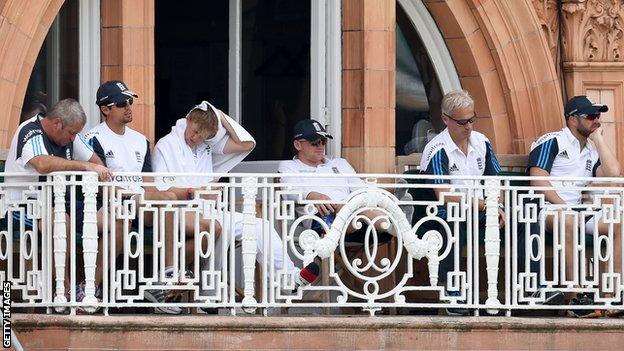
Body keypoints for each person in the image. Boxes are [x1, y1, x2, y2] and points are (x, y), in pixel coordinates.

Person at [152, 101, 320, 307]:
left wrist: (220, 116)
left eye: (202, 136)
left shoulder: (205, 146)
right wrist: (193, 192)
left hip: (208, 210)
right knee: (219, 229)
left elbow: (247, 143)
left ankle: (289, 278)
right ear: (188, 120)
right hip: (177, 212)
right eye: (195, 132)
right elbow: (161, 190)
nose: (195, 139)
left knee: (260, 226)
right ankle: (208, 296)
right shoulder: (166, 145)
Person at [85, 80, 184, 314]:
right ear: (105, 109)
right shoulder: (93, 137)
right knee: (164, 199)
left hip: (141, 203)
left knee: (168, 197)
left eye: (130, 101)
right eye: (121, 103)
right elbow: (97, 184)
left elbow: (148, 182)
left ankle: (167, 274)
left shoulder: (140, 139)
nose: (129, 106)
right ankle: (167, 273)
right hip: (110, 202)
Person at [4, 98, 114, 305]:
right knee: (61, 219)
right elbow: (43, 164)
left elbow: (96, 163)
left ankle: (89, 287)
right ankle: (65, 290)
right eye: (71, 133)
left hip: (63, 203)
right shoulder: (31, 131)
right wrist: (84, 167)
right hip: (25, 208)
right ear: (56, 123)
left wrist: (91, 167)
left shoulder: (71, 136)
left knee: (116, 220)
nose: (73, 138)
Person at [528, 95, 622, 318]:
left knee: (618, 223)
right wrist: (564, 206)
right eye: (590, 116)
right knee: (567, 219)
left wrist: (598, 140)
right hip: (547, 208)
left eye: (598, 116)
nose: (596, 120)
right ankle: (575, 296)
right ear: (572, 119)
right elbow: (538, 180)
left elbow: (613, 174)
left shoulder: (591, 149)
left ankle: (612, 295)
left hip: (580, 210)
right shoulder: (553, 141)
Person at [419, 90, 504, 315]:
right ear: (446, 120)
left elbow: (495, 180)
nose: (469, 127)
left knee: (524, 219)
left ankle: (533, 288)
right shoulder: (437, 149)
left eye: (471, 119)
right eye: (462, 121)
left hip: (482, 210)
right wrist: (482, 204)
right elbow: (443, 194)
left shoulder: (482, 141)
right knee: (454, 222)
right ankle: (453, 293)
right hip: (442, 214)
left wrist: (499, 206)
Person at [278, 119, 394, 244]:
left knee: (363, 203)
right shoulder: (289, 166)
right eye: (314, 142)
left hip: (356, 219)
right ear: (298, 145)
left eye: (323, 141)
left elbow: (360, 188)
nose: (320, 146)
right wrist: (312, 195)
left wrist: (376, 196)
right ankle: (396, 225)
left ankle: (393, 221)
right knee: (356, 207)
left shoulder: (339, 163)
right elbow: (289, 191)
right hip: (321, 221)